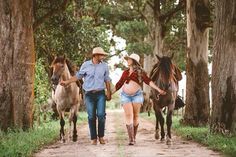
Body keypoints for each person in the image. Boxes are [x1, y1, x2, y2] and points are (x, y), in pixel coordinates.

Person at [60, 47, 111, 145]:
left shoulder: (105, 66)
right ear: (95, 55)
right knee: (91, 116)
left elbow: (107, 79)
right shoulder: (86, 65)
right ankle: (93, 138)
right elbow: (78, 76)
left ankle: (101, 136)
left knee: (101, 116)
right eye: (101, 55)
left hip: (100, 94)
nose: (103, 56)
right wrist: (67, 82)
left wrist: (108, 92)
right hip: (89, 95)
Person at [112, 53, 166, 145]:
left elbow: (149, 81)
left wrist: (159, 89)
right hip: (125, 95)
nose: (127, 61)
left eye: (129, 59)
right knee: (129, 115)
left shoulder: (140, 72)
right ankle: (131, 139)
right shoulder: (125, 72)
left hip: (137, 95)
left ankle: (134, 136)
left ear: (133, 61)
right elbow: (119, 84)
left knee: (136, 116)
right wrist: (109, 93)